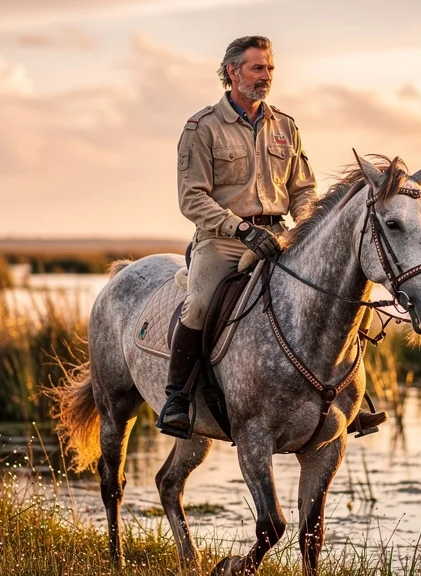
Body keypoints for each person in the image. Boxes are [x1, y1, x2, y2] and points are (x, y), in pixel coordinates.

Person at [158, 35, 386, 437]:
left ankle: (348, 398)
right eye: (257, 68)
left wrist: (305, 225)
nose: (266, 77)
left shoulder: (285, 126)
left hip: (281, 235)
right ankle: (178, 397)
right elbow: (191, 197)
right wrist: (239, 228)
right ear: (232, 72)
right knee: (199, 304)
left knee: (340, 294)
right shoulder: (202, 127)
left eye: (270, 69)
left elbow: (302, 189)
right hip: (222, 240)